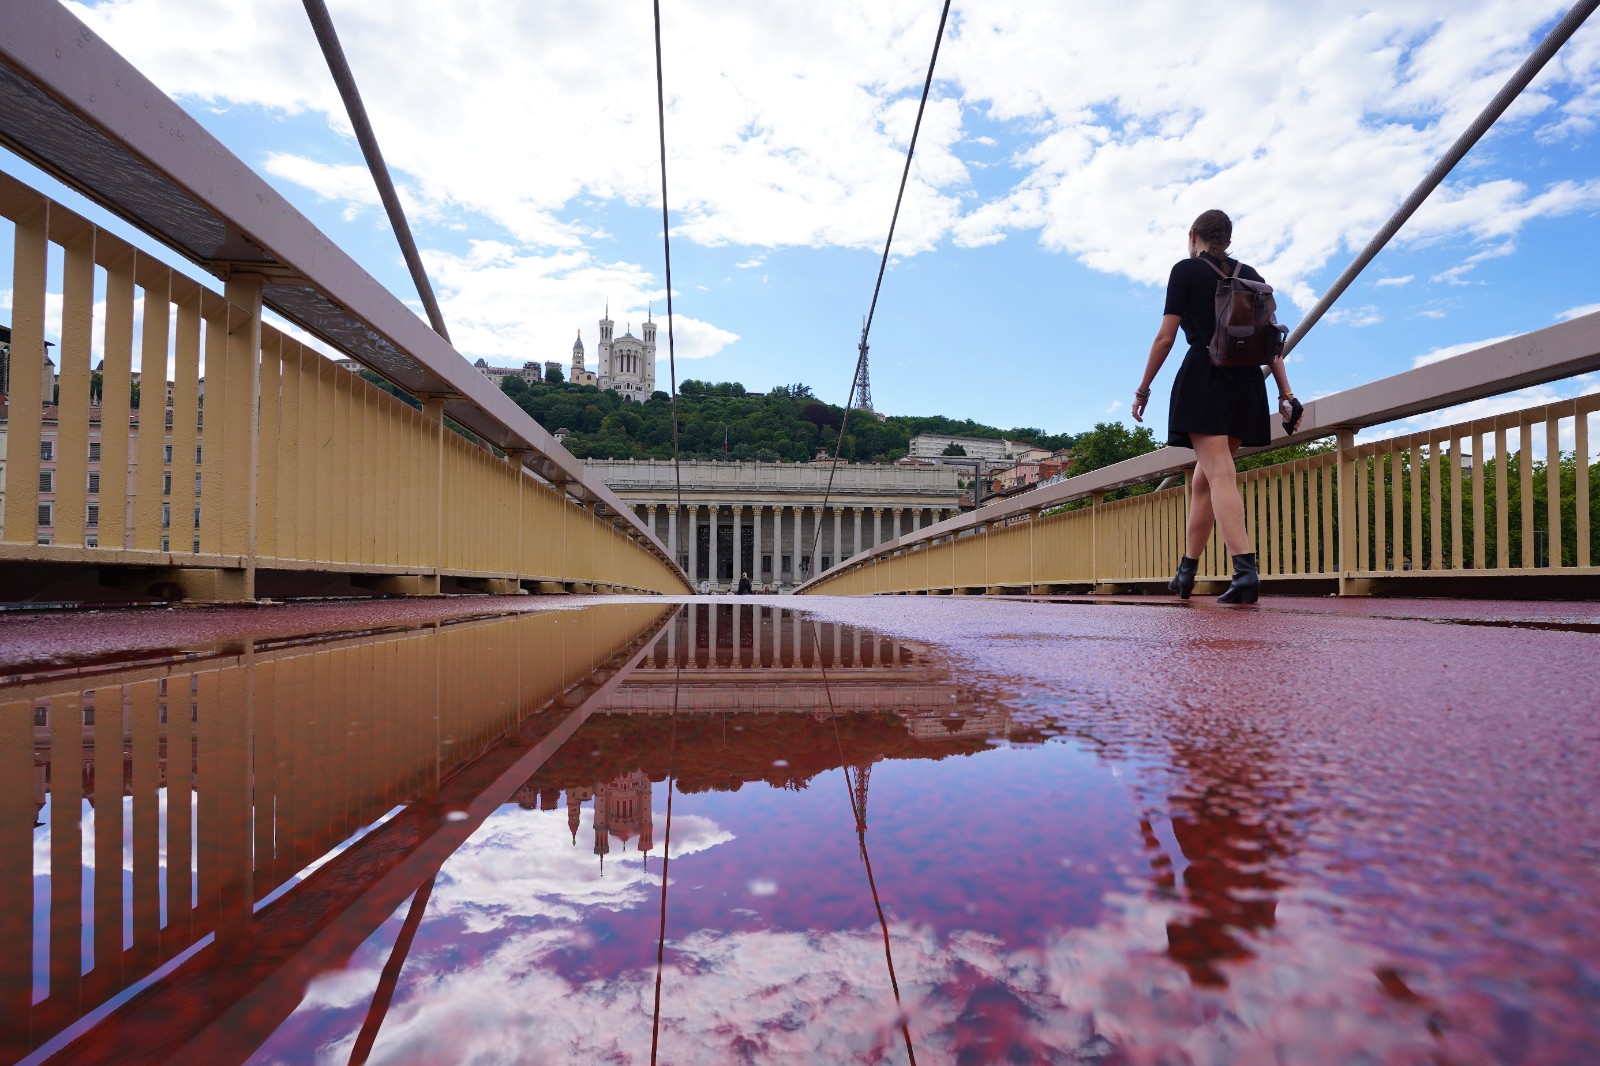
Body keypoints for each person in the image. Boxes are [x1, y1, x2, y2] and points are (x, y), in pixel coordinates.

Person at [1132, 209, 1302, 604]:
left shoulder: (1186, 271)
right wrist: (1285, 393)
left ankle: (1245, 572)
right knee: (1204, 478)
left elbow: (1165, 338)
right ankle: (1186, 573)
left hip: (1206, 377)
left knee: (1220, 473)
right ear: (1227, 238)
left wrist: (1143, 388)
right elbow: (1270, 345)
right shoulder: (1252, 277)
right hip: (1245, 383)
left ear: (1194, 236)